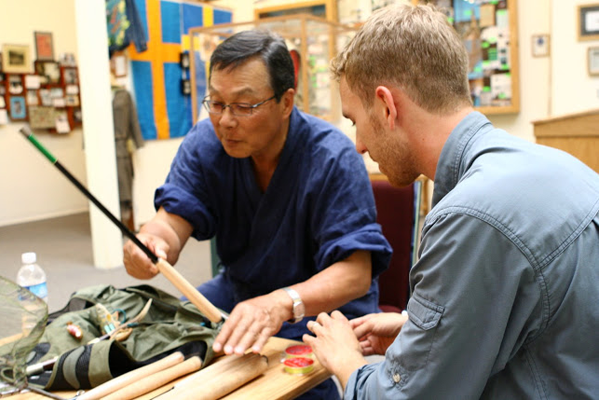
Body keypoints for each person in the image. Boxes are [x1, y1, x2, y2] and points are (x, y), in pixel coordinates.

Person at [303, 3, 599, 399]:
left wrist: (345, 361)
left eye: (356, 121)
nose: (358, 145)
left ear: (387, 107)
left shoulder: (470, 216)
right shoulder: (560, 166)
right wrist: (415, 328)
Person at [123, 30, 391, 399]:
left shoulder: (332, 157)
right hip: (241, 293)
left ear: (285, 102)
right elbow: (171, 220)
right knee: (162, 337)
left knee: (280, 387)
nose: (225, 121)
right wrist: (152, 241)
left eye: (244, 106)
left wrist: (281, 303)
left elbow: (356, 274)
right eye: (216, 103)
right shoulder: (205, 143)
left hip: (319, 309)